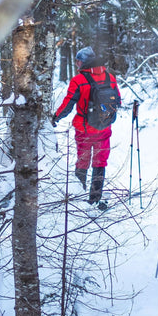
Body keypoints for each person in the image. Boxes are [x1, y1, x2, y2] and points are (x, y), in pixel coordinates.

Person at [52, 46, 123, 208]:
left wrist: (55, 117)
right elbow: (117, 101)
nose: (77, 64)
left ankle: (79, 195)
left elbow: (68, 105)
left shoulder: (78, 80)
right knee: (100, 161)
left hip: (84, 129)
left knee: (83, 160)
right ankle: (95, 197)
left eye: (78, 61)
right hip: (104, 128)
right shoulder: (110, 77)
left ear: (84, 62)